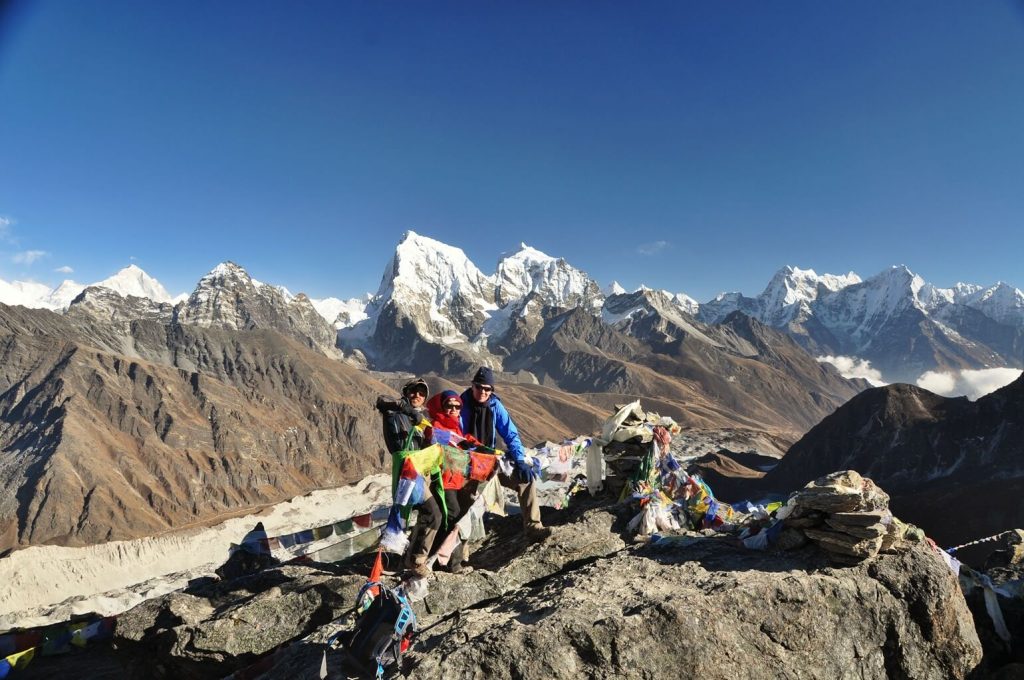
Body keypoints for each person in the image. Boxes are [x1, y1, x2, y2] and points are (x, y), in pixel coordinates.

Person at [460, 367, 551, 542]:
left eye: (488, 389)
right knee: (465, 504)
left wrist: (520, 460)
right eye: (479, 387)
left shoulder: (495, 406)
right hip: (468, 463)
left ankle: (533, 526)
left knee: (525, 479)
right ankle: (460, 556)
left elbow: (510, 434)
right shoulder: (460, 405)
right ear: (472, 386)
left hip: (491, 461)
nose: (483, 392)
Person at [376, 377, 441, 578]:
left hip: (418, 471)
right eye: (414, 391)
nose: (418, 396)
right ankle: (400, 562)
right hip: (405, 470)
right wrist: (409, 410)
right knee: (413, 514)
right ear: (406, 392)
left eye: (422, 393)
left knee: (426, 514)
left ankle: (409, 560)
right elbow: (381, 400)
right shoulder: (393, 412)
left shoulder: (421, 422)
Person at [426, 389, 480, 572]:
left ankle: (434, 559)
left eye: (458, 406)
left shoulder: (456, 426)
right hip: (442, 481)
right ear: (442, 407)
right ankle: (453, 564)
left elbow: (461, 443)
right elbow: (439, 442)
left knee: (448, 519)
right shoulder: (435, 426)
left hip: (456, 480)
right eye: (450, 405)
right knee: (455, 516)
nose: (454, 409)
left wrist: (474, 444)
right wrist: (459, 443)